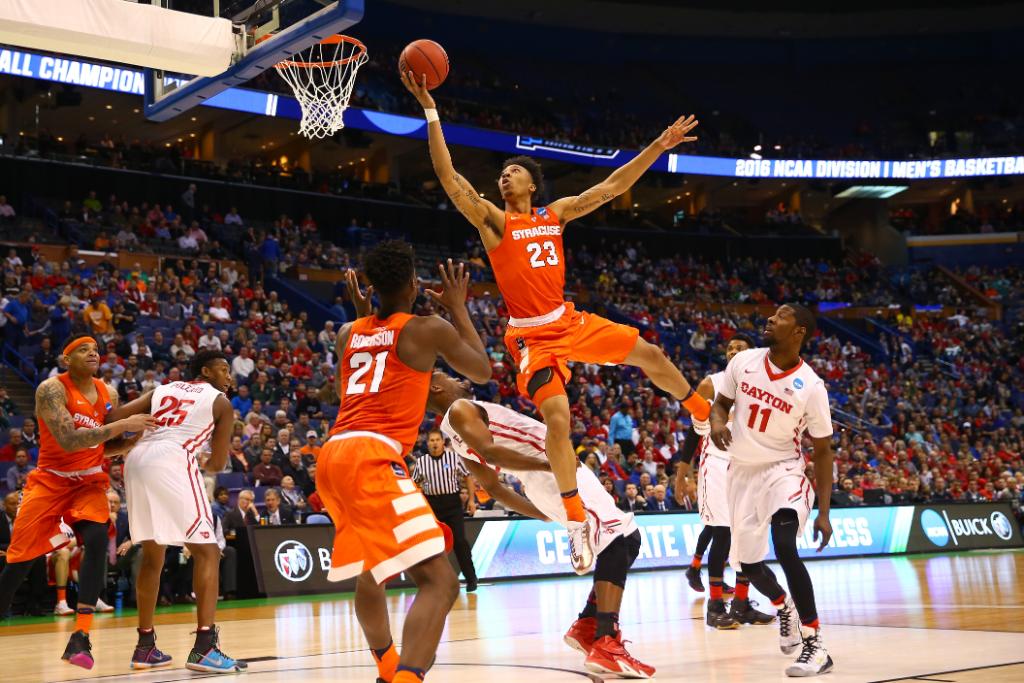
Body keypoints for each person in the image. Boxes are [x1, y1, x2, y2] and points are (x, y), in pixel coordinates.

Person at [403, 70, 708, 574]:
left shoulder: (556, 213)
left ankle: (700, 412)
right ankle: (574, 522)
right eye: (501, 173)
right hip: (531, 336)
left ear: (531, 183)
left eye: (513, 172)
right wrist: (431, 111)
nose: (504, 177)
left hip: (569, 321)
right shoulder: (495, 221)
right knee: (558, 421)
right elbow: (449, 177)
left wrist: (659, 145)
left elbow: (612, 186)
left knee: (651, 355)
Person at [317, 246, 490, 683]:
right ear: (413, 284)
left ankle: (388, 668)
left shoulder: (347, 332)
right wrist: (458, 308)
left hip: (334, 454)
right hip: (372, 455)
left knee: (372, 571)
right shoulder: (427, 328)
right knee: (440, 582)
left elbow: (342, 392)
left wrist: (364, 317)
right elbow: (482, 370)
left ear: (372, 286)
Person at [431, 372, 653, 678]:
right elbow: (491, 454)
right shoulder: (460, 409)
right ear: (436, 387)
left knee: (627, 537)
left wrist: (542, 513)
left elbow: (494, 488)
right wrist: (550, 464)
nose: (459, 379)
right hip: (552, 473)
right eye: (448, 376)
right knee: (617, 539)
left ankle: (588, 624)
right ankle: (606, 642)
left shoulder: (454, 438)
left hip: (543, 481)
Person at [0, 334, 154, 668]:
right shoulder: (51, 389)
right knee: (20, 561)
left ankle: (80, 636)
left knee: (96, 539)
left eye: (95, 349)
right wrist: (124, 424)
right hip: (50, 479)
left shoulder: (108, 392)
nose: (92, 353)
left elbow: (104, 447)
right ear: (66, 359)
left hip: (88, 481)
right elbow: (70, 440)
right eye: (83, 350)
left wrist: (133, 440)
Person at [709, 304, 835, 677]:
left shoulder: (811, 386)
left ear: (798, 332)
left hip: (783, 471)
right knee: (748, 565)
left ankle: (815, 644)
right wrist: (717, 423)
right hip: (741, 473)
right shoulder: (743, 361)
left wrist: (824, 513)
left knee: (784, 546)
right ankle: (784, 606)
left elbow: (823, 451)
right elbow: (720, 404)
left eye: (781, 316)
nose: (770, 319)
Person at [120, 350, 245, 673]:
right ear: (206, 371)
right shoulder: (220, 402)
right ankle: (205, 647)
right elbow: (216, 464)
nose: (229, 377)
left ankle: (145, 647)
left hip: (136, 460)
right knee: (208, 552)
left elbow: (115, 416)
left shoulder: (162, 389)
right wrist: (205, 460)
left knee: (153, 554)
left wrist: (124, 441)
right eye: (223, 369)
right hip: (173, 459)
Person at [677, 333, 773, 628]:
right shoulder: (711, 383)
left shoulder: (762, 388)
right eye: (730, 347)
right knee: (721, 533)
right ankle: (715, 605)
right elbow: (694, 430)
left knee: (746, 536)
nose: (733, 351)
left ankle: (742, 604)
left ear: (752, 353)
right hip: (716, 465)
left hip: (748, 466)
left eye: (740, 348)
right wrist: (683, 472)